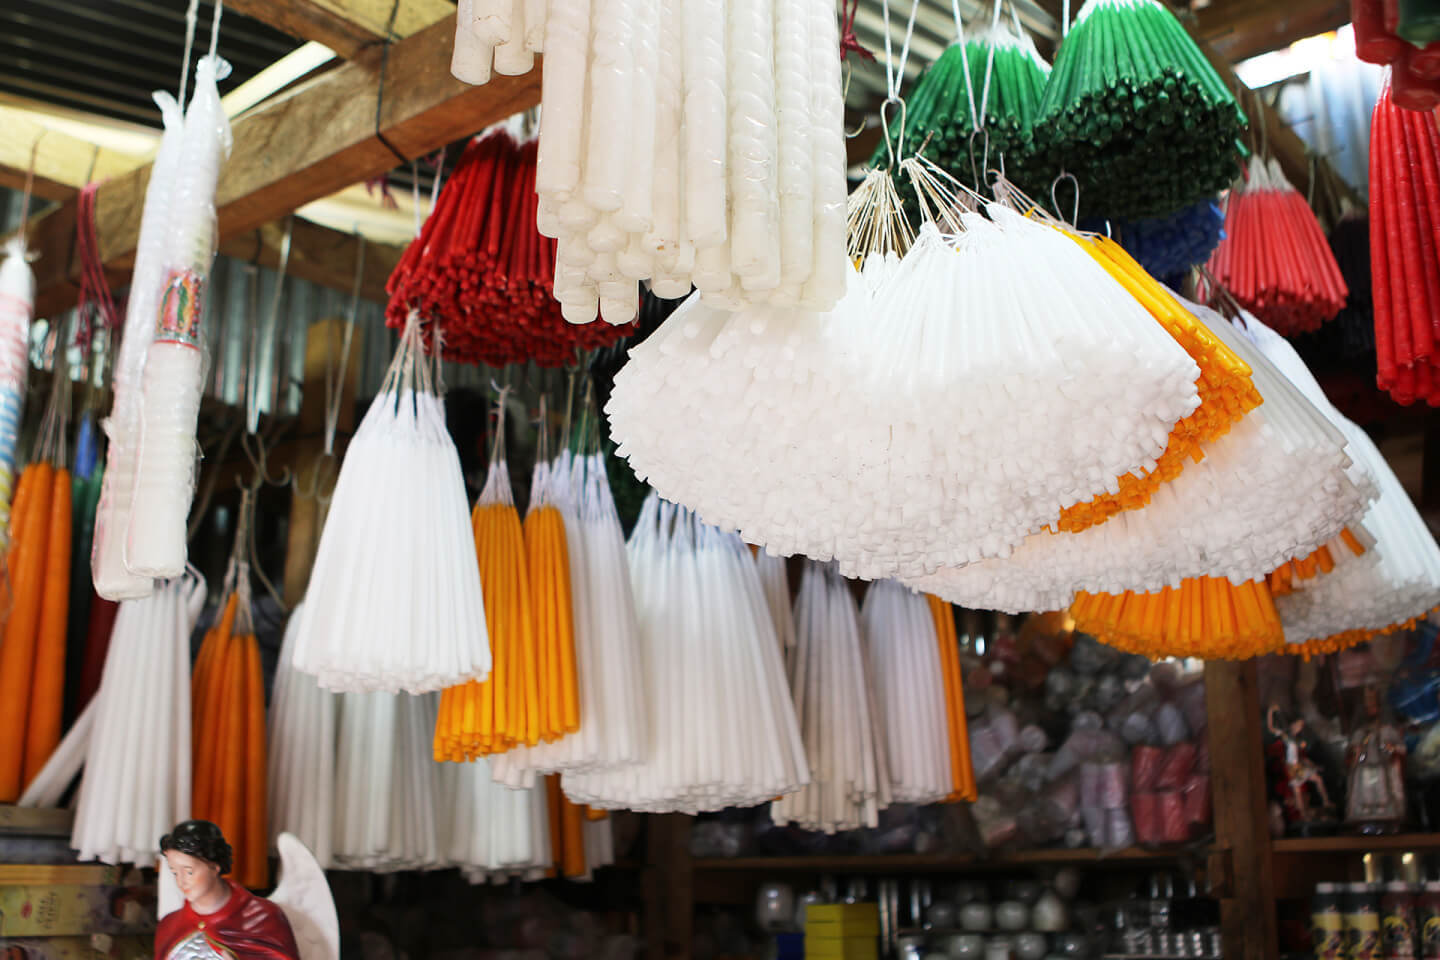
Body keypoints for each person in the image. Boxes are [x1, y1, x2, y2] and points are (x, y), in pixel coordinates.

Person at [154, 820, 300, 960]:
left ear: (214, 867)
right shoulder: (170, 925)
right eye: (175, 872)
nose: (181, 881)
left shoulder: (263, 918)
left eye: (189, 872)